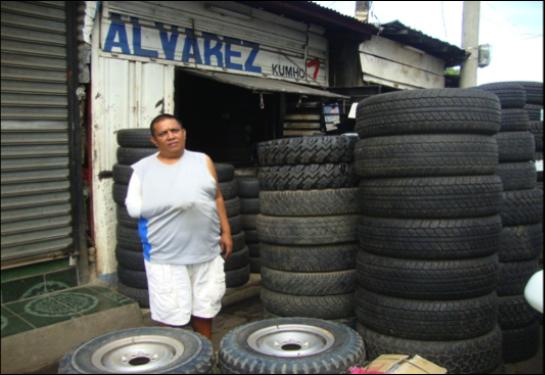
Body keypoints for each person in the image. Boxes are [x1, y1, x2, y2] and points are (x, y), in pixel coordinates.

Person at [124, 113, 233, 339]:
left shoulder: (203, 160)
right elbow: (134, 208)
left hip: (206, 252)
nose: (170, 136)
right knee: (170, 315)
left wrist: (226, 232)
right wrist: (176, 201)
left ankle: (204, 354)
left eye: (174, 130)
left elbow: (217, 197)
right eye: (163, 133)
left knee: (205, 309)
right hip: (166, 257)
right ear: (154, 141)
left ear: (184, 133)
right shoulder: (142, 169)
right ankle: (178, 360)